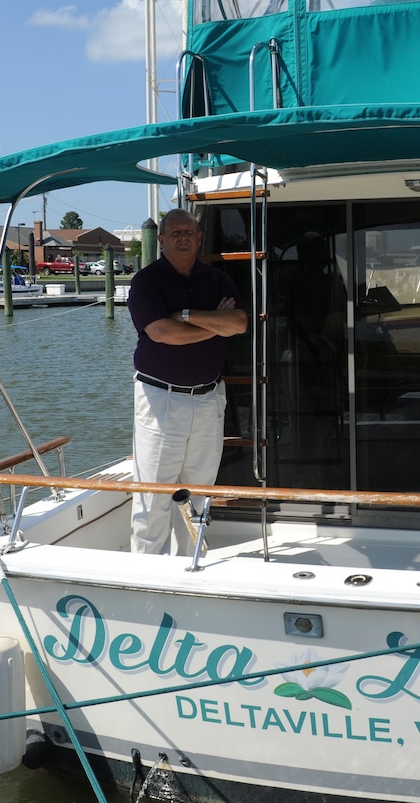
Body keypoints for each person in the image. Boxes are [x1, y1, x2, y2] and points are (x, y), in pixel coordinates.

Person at [127, 209, 248, 554]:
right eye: (175, 232)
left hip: (209, 399)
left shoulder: (218, 280)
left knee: (199, 490)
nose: (183, 236)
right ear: (161, 240)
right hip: (160, 400)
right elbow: (163, 333)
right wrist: (214, 323)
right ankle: (146, 574)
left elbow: (238, 324)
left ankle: (190, 563)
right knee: (154, 494)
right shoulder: (146, 282)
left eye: (189, 231)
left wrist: (186, 316)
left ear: (198, 238)